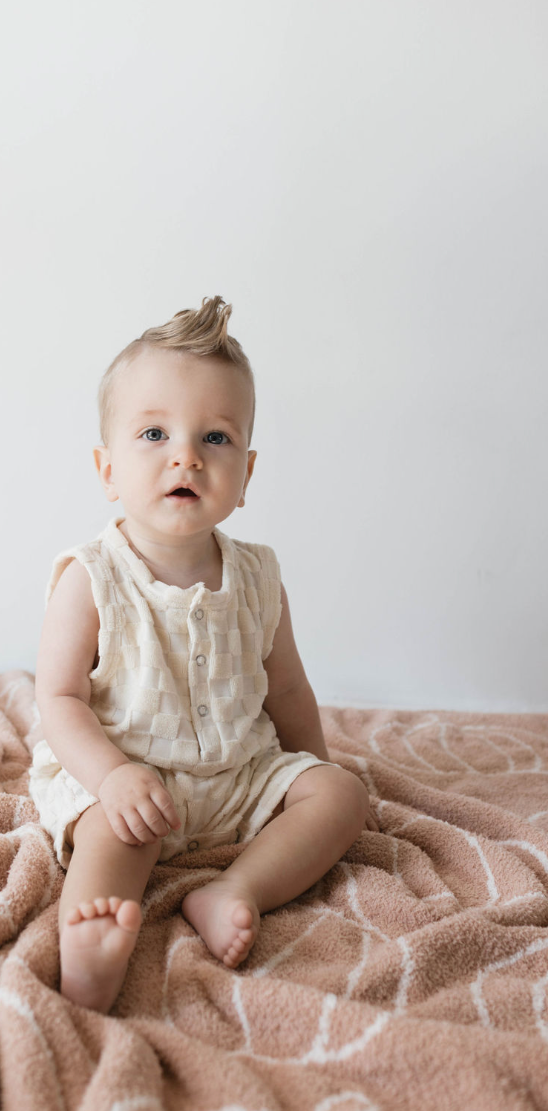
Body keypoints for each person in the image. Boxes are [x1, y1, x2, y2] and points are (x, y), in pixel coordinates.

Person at [30, 296, 379, 1014]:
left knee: (341, 796)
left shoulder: (258, 576)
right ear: (107, 469)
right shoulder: (92, 577)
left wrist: (307, 776)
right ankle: (91, 947)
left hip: (240, 775)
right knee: (109, 834)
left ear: (246, 473)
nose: (185, 455)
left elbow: (286, 689)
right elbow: (58, 700)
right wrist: (114, 776)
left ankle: (234, 889)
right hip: (132, 775)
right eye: (154, 432)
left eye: (214, 438)